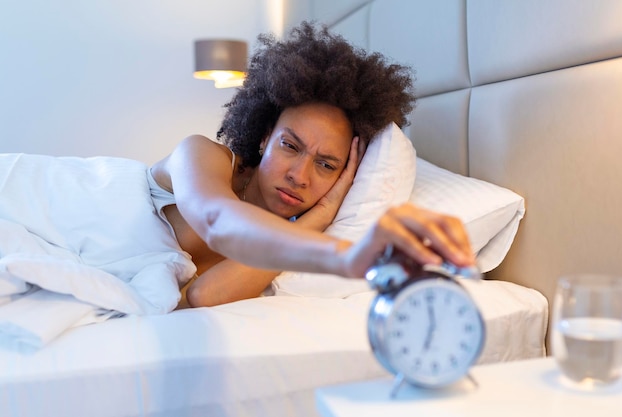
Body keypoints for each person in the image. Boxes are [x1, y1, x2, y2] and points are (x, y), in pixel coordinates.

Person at [149, 22, 475, 308]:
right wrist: (344, 255)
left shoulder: (287, 235)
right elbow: (217, 222)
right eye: (290, 146)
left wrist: (320, 217)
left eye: (326, 165)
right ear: (264, 137)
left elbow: (204, 295)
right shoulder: (201, 155)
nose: (298, 176)